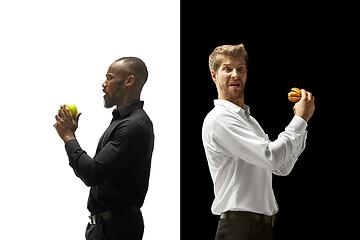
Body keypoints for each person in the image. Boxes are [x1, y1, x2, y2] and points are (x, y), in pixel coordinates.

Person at [202, 44, 315, 240]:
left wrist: (302, 126)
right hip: (239, 228)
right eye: (227, 69)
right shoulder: (220, 118)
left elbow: (281, 167)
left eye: (241, 69)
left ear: (246, 74)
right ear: (214, 75)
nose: (235, 74)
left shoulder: (248, 120)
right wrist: (299, 120)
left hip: (262, 227)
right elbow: (271, 157)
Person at [54, 57, 154, 240]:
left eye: (109, 78)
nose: (103, 84)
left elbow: (92, 173)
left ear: (129, 81)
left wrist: (68, 136)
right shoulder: (122, 121)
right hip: (105, 228)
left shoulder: (133, 126)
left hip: (117, 230)